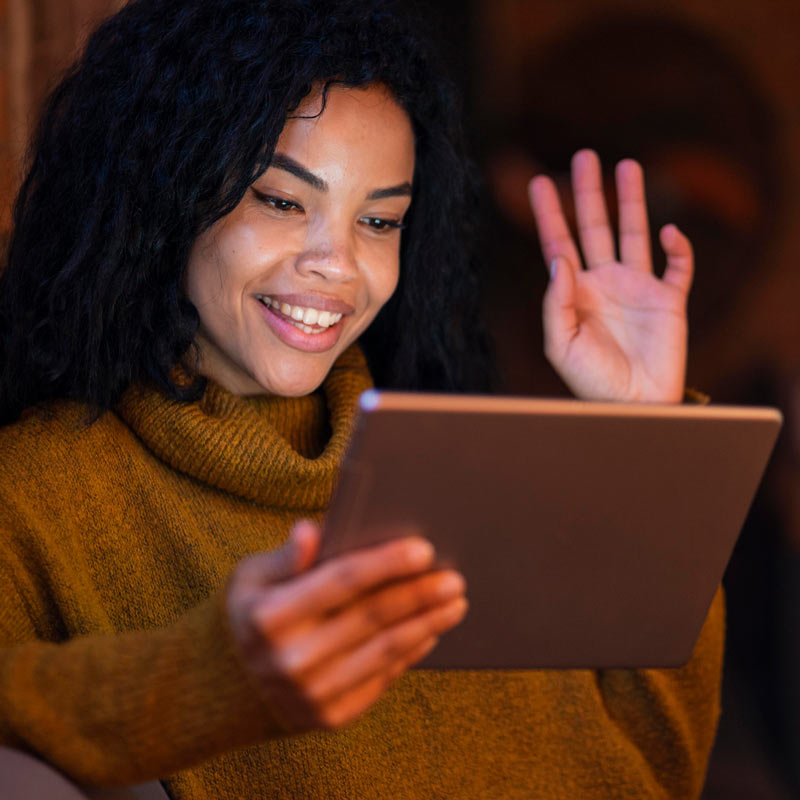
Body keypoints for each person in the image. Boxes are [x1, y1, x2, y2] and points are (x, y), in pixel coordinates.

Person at [0, 0, 722, 797]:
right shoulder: (38, 495)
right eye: (280, 201)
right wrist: (211, 678)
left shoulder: (469, 470)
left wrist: (650, 446)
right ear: (161, 195)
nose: (339, 266)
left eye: (380, 220)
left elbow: (656, 771)